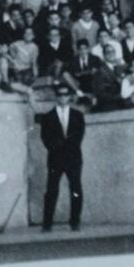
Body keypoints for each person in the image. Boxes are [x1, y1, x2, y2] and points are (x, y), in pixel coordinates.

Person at [32, 83, 85, 232]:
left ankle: (75, 222)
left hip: (73, 158)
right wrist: (57, 148)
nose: (63, 98)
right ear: (56, 97)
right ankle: (47, 223)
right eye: (60, 95)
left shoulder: (77, 115)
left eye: (65, 95)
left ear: (69, 97)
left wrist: (67, 148)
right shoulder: (48, 117)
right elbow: (45, 138)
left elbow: (79, 136)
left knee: (76, 189)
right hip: (56, 158)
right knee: (51, 191)